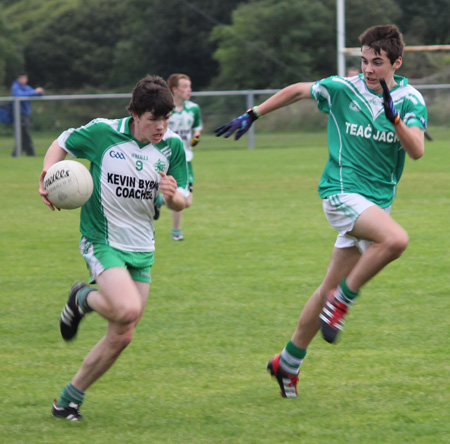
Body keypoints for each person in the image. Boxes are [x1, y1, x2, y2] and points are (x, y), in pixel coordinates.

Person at [215, 25, 427, 398]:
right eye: (363, 61)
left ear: (396, 62)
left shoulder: (410, 100)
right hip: (341, 193)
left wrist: (394, 118)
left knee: (326, 287)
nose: (368, 69)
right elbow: (299, 90)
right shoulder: (344, 89)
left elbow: (416, 150)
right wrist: (254, 113)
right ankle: (343, 302)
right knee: (395, 239)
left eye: (377, 63)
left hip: (374, 205)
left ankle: (287, 363)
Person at [38, 75, 189, 420]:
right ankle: (83, 298)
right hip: (102, 239)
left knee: (123, 334)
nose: (161, 127)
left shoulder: (172, 148)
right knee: (126, 310)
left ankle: (68, 400)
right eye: (154, 119)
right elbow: (61, 142)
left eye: (166, 119)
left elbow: (183, 201)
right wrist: (46, 174)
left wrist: (174, 196)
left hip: (142, 246)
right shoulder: (102, 132)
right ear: (135, 114)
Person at [156, 73, 203, 241]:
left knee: (186, 201)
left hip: (186, 159)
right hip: (167, 158)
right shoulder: (166, 110)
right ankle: (176, 233)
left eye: (189, 86)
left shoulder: (194, 108)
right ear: (174, 89)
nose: (188, 90)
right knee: (180, 196)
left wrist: (196, 136)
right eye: (184, 86)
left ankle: (158, 201)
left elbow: (197, 127)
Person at [11, 72, 44, 157]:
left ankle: (16, 153)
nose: (24, 80)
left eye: (25, 78)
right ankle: (29, 153)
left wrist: (39, 91)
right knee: (24, 134)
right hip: (19, 115)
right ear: (18, 79)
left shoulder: (26, 87)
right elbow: (18, 94)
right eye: (22, 78)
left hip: (25, 115)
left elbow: (36, 93)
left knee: (23, 135)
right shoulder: (16, 87)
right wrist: (34, 91)